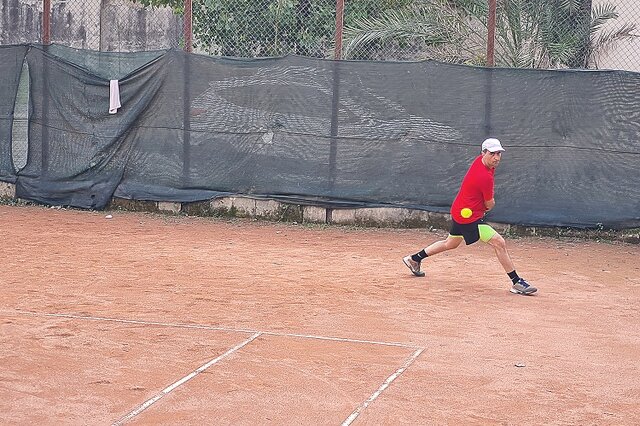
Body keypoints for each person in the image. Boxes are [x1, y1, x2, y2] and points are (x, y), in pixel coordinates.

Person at [402, 137, 537, 295]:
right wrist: (486, 206)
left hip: (460, 210)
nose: (497, 157)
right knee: (499, 242)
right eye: (493, 153)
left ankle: (415, 258)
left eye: (499, 153)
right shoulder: (484, 177)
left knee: (450, 243)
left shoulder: (481, 161)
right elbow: (489, 204)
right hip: (468, 217)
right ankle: (516, 282)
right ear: (483, 153)